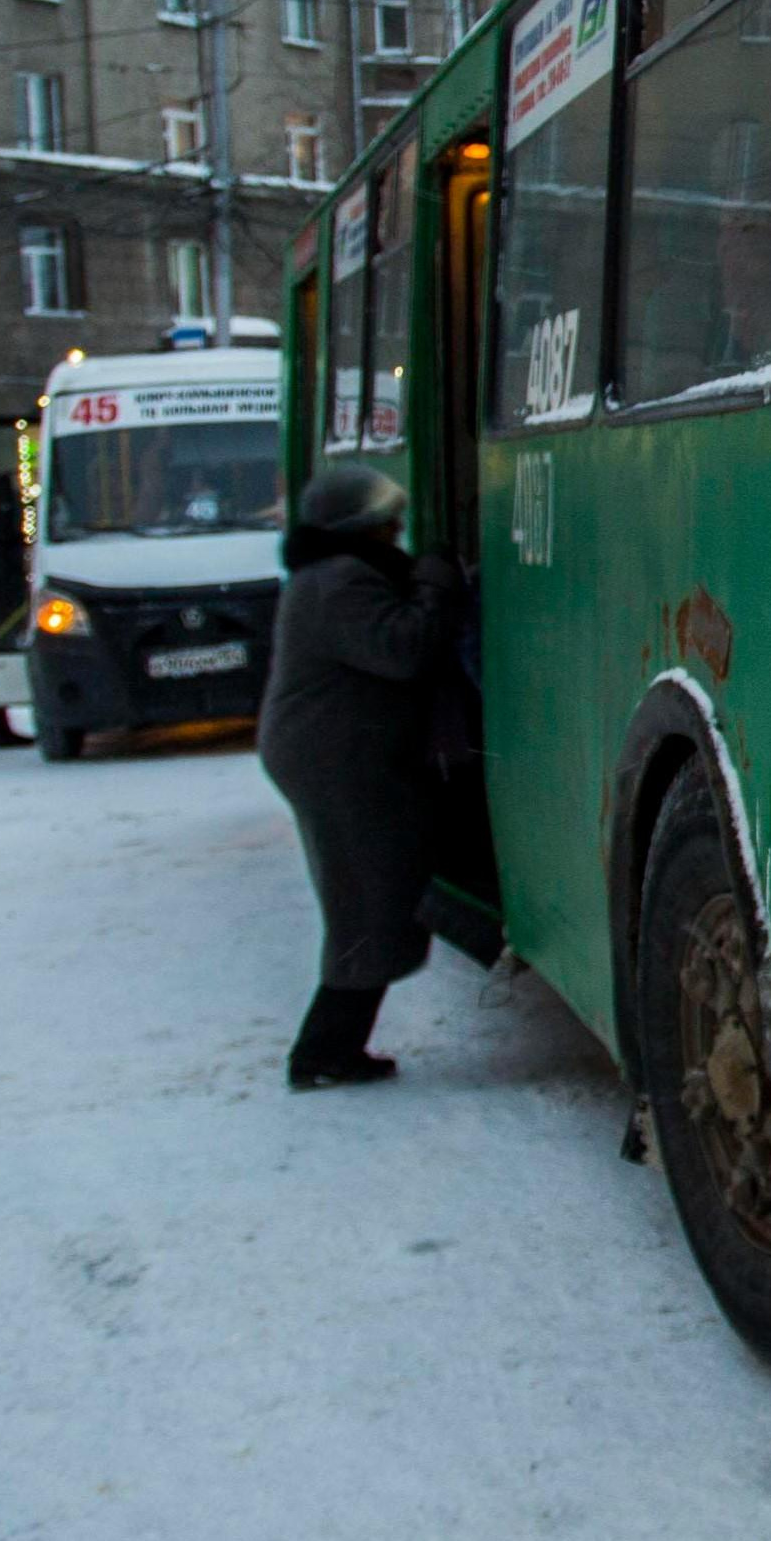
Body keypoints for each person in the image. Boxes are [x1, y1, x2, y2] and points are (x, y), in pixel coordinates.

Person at [259, 462, 453, 1090]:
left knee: (369, 895)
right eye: (387, 522)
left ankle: (335, 1048)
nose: (398, 531)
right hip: (335, 760)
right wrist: (436, 586)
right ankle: (322, 1054)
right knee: (365, 900)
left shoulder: (332, 575)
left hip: (340, 755)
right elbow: (404, 649)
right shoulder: (341, 581)